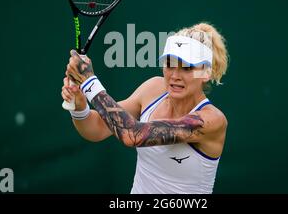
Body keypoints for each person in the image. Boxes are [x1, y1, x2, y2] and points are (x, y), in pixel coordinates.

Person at [61, 22, 229, 194]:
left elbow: (132, 135)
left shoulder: (211, 120)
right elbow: (95, 129)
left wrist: (89, 82)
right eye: (170, 65)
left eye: (187, 68)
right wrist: (79, 107)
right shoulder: (153, 89)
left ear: (206, 72)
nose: (175, 76)